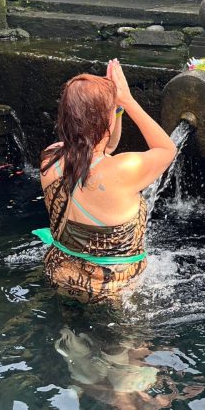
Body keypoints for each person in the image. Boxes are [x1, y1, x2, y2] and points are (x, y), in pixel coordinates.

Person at [33, 59, 176, 303]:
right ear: (104, 120)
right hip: (114, 289)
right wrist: (127, 101)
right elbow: (167, 149)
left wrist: (114, 109)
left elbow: (104, 147)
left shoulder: (51, 156)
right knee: (136, 342)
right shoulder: (124, 169)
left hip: (60, 273)